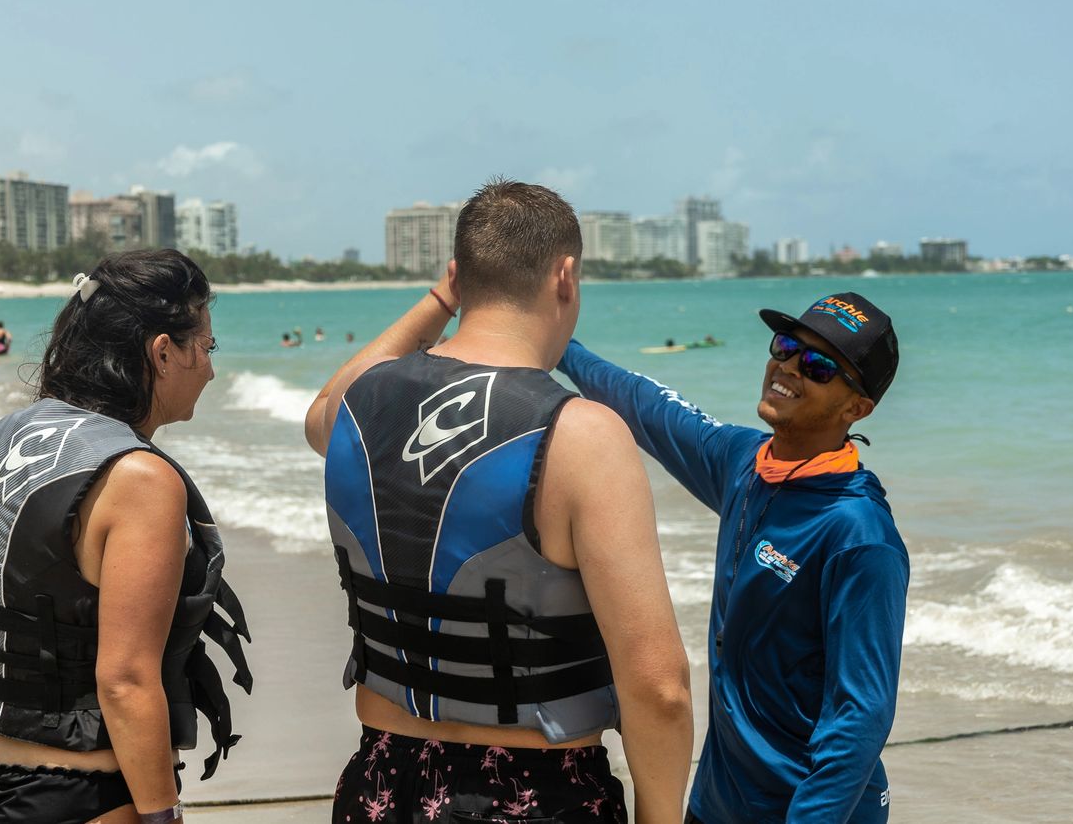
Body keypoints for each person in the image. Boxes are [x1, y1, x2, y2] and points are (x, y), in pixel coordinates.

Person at [305, 180, 693, 824]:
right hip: (532, 794)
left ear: (459, 277)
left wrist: (437, 301)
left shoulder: (355, 406)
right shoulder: (580, 435)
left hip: (382, 782)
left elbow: (321, 408)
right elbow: (660, 689)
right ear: (565, 276)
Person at [557, 292, 909, 823]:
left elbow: (860, 715)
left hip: (807, 810)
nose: (788, 367)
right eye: (787, 346)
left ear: (856, 407)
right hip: (718, 802)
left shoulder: (858, 535)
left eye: (818, 366)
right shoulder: (744, 462)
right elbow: (642, 402)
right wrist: (555, 340)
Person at [0, 251, 253, 824]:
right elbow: (125, 679)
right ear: (162, 353)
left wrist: (8, 727)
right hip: (82, 793)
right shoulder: (140, 478)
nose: (209, 369)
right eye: (206, 348)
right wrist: (163, 814)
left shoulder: (3, 438)